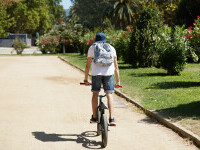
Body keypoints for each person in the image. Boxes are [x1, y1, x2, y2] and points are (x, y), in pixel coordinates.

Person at [84, 32, 120, 126]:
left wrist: (85, 79)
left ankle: (95, 117)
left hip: (96, 74)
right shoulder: (111, 48)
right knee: (109, 94)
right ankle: (111, 118)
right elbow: (116, 66)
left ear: (96, 39)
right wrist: (118, 81)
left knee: (95, 94)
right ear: (105, 39)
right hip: (109, 73)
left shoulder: (92, 47)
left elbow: (87, 65)